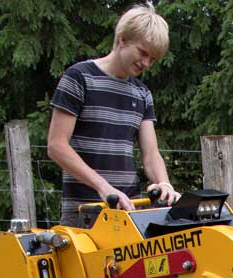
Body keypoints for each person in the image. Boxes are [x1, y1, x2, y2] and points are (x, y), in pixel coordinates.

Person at [47, 2, 181, 225]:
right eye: (143, 52)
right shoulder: (79, 78)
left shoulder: (142, 93)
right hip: (85, 214)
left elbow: (150, 154)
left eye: (153, 59)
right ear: (122, 40)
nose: (146, 63)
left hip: (129, 212)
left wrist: (165, 183)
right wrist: (104, 187)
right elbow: (56, 146)